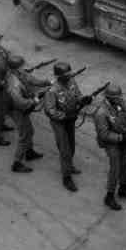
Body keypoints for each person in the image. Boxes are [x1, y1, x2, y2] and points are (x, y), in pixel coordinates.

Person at [43, 62, 91, 191]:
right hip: (59, 122)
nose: (69, 75)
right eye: (66, 74)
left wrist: (83, 100)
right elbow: (50, 111)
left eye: (69, 73)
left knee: (71, 145)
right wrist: (64, 116)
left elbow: (77, 94)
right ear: (58, 76)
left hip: (71, 118)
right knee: (64, 149)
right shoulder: (52, 90)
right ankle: (66, 177)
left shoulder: (72, 81)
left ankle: (69, 165)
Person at [6, 55, 50, 173]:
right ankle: (17, 163)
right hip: (17, 110)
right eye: (22, 66)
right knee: (24, 135)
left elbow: (31, 79)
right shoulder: (13, 85)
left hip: (21, 108)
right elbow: (20, 103)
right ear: (16, 68)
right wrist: (33, 101)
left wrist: (47, 82)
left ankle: (29, 152)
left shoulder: (19, 73)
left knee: (30, 131)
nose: (24, 67)